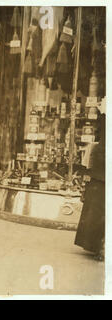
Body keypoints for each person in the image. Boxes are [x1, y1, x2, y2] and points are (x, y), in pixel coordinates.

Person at [74, 105, 105, 261]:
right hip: (103, 164)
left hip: (102, 163)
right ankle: (102, 245)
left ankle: (98, 244)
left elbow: (99, 133)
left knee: (98, 206)